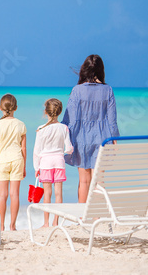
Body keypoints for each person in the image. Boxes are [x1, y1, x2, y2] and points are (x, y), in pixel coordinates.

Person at [62, 54, 120, 203]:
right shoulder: (108, 90)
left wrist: (61, 135)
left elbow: (70, 120)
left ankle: (83, 216)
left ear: (84, 70)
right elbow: (112, 121)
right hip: (103, 139)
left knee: (84, 181)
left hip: (81, 139)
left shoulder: (77, 90)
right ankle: (96, 216)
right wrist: (115, 140)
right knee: (99, 181)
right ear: (101, 70)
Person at [0, 94, 27, 231]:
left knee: (3, 195)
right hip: (17, 160)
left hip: (1, 161)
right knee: (14, 194)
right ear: (16, 108)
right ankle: (13, 225)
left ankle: (2, 226)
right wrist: (24, 166)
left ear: (0, 108)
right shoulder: (21, 125)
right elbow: (23, 148)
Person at [33, 98, 73, 227]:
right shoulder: (64, 128)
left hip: (45, 163)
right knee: (58, 193)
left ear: (46, 112)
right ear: (59, 112)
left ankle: (46, 223)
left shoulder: (41, 129)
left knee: (47, 194)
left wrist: (36, 167)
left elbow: (37, 151)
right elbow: (69, 148)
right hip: (59, 161)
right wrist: (65, 153)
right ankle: (56, 222)